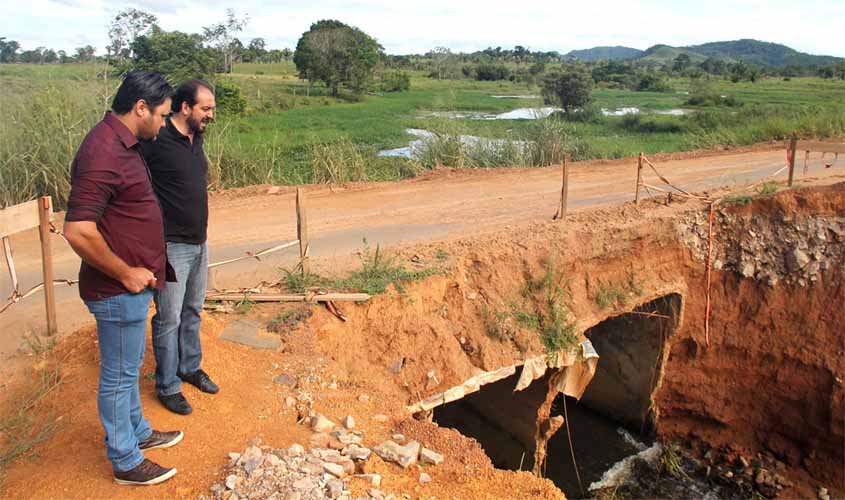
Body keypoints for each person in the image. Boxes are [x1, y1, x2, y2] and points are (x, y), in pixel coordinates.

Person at [64, 71, 182, 486]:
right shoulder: (102, 152)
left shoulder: (124, 143)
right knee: (117, 376)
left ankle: (139, 433)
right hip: (116, 289)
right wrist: (126, 273)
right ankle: (125, 459)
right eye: (163, 115)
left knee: (129, 370)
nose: (165, 124)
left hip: (131, 287)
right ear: (140, 108)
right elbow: (78, 230)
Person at [141, 79, 219, 415]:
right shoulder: (157, 140)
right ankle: (168, 385)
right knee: (169, 317)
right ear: (185, 107)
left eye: (212, 109)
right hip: (171, 246)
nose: (210, 116)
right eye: (205, 108)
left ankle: (190, 367)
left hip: (199, 242)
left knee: (193, 311)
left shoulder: (196, 137)